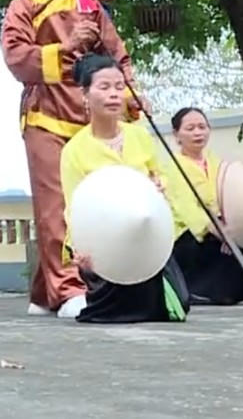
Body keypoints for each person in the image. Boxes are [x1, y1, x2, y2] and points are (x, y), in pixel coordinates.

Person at [0, 0, 147, 318]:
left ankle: (43, 293)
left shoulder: (90, 5)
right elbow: (17, 58)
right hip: (45, 115)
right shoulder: (24, 5)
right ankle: (67, 289)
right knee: (55, 207)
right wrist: (65, 49)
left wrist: (129, 95)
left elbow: (117, 56)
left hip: (86, 117)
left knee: (89, 203)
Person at [59, 54, 194, 323]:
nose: (113, 95)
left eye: (119, 87)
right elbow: (74, 207)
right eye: (104, 87)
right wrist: (80, 250)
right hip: (104, 242)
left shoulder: (139, 136)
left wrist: (158, 186)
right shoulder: (74, 150)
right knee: (112, 310)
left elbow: (160, 177)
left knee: (178, 306)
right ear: (85, 94)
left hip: (144, 236)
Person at [169, 106, 243, 306]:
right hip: (190, 236)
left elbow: (230, 194)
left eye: (202, 127)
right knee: (215, 247)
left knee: (233, 252)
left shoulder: (218, 163)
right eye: (190, 128)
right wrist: (219, 232)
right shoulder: (172, 167)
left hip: (223, 230)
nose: (197, 133)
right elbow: (187, 211)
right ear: (177, 134)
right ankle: (197, 289)